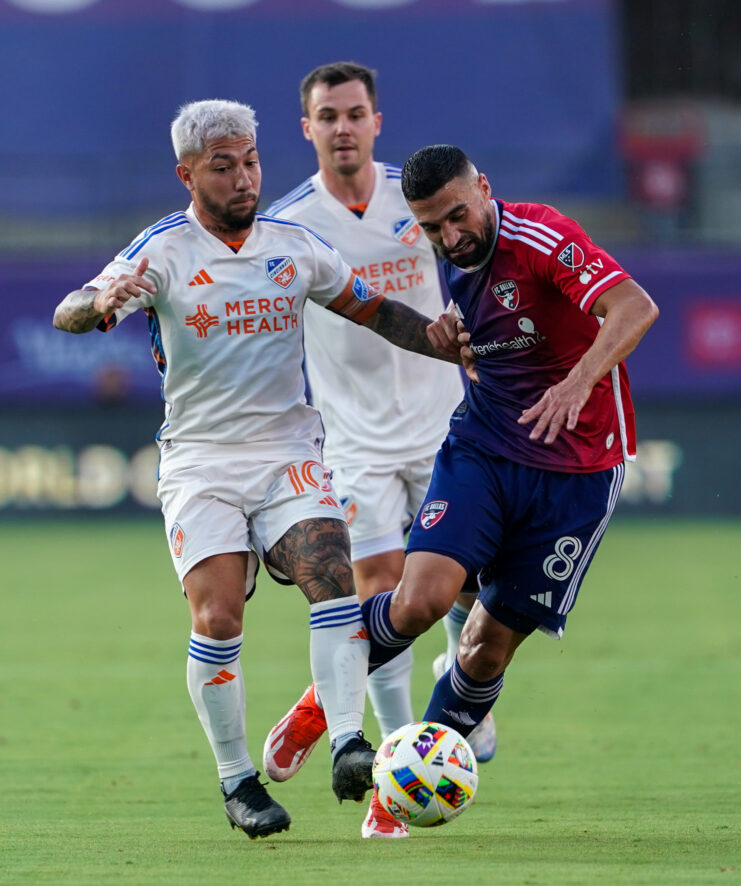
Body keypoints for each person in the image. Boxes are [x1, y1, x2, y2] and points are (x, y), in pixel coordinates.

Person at [51, 102, 463, 840]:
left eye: (250, 162)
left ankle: (346, 742)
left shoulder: (294, 246)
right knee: (217, 617)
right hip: (201, 461)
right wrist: (93, 304)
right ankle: (238, 780)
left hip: (288, 451)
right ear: (187, 174)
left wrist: (450, 347)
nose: (244, 178)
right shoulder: (163, 252)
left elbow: (371, 310)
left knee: (333, 576)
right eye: (223, 166)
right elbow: (71, 311)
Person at [265, 144, 659, 834]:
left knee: (482, 649)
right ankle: (321, 705)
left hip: (580, 472)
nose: (450, 237)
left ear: (485, 188)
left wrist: (578, 381)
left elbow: (635, 306)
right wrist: (446, 331)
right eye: (432, 226)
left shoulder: (541, 235)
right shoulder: (444, 254)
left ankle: (395, 797)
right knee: (420, 601)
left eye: (457, 217)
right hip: (482, 449)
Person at [260, 62, 495, 840]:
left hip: (447, 430)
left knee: (474, 593)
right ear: (308, 129)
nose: (343, 128)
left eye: (355, 114)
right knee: (388, 597)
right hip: (353, 443)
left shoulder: (418, 199)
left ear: (376, 121)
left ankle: (314, 705)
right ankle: (392, 793)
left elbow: (478, 271)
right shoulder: (289, 223)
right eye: (327, 116)